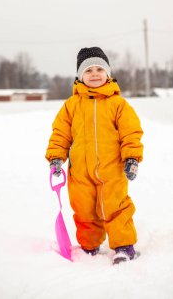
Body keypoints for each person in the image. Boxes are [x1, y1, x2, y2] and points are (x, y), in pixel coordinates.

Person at [45, 47, 144, 264]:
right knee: (83, 210)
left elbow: (131, 133)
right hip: (80, 171)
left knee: (116, 207)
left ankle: (124, 246)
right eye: (89, 70)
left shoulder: (118, 104)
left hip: (112, 169)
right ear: (80, 76)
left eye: (100, 69)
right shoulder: (72, 106)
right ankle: (89, 246)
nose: (95, 74)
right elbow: (60, 134)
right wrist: (56, 157)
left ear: (108, 73)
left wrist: (131, 158)